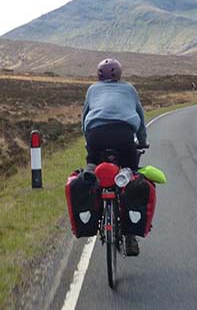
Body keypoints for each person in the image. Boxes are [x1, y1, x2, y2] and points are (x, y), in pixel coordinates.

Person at [82, 58, 147, 256]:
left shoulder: (92, 90)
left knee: (93, 162)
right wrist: (142, 140)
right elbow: (141, 117)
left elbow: (85, 116)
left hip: (96, 135)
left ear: (98, 75)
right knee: (130, 177)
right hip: (124, 135)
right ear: (119, 74)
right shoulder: (129, 89)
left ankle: (91, 172)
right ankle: (130, 237)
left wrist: (88, 139)